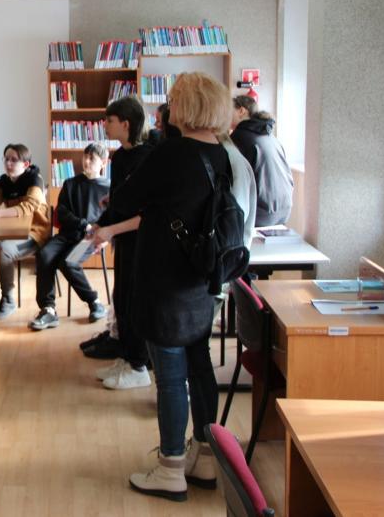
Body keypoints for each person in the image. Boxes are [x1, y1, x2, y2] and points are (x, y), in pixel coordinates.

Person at [102, 73, 232, 501]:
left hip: (164, 279)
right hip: (201, 277)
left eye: (174, 100)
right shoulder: (221, 154)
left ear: (187, 106)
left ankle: (170, 466)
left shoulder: (172, 152)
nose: (169, 107)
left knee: (171, 376)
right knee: (199, 365)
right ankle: (205, 456)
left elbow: (124, 199)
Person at [90, 97, 155, 389]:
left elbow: (146, 212)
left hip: (142, 242)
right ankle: (127, 358)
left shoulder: (148, 158)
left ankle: (139, 365)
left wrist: (110, 229)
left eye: (110, 120)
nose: (105, 125)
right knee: (121, 299)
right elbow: (120, 199)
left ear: (126, 124)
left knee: (134, 302)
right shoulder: (119, 158)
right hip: (123, 241)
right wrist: (102, 223)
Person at [29, 142, 108, 331]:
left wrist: (104, 238)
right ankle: (48, 309)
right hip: (66, 235)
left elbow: (110, 219)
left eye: (92, 158)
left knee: (69, 261)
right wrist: (83, 224)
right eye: (85, 157)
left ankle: (95, 302)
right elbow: (62, 213)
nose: (86, 161)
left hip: (90, 238)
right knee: (44, 254)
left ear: (103, 162)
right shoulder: (70, 184)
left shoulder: (109, 188)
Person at [0, 144, 49, 319]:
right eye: (6, 159)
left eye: (14, 160)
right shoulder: (4, 181)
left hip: (34, 233)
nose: (8, 163)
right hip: (12, 231)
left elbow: (29, 206)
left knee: (3, 251)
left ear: (26, 164)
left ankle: (8, 299)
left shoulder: (35, 179)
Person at [230, 94, 294, 227]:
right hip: (284, 208)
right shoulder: (270, 135)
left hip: (260, 214)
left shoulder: (240, 135)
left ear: (241, 111)